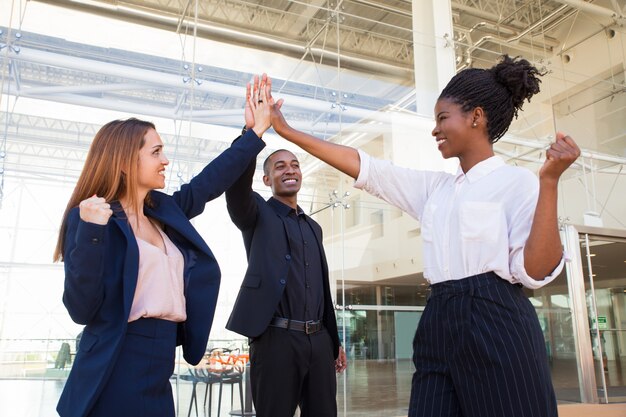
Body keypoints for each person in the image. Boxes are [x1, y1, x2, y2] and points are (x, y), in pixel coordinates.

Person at [268, 55, 580, 417]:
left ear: (476, 117)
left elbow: (537, 269)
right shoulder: (437, 190)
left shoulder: (518, 183)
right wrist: (287, 131)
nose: (435, 129)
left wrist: (550, 182)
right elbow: (368, 167)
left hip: (497, 319)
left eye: (443, 118)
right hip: (439, 317)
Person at [52, 75, 271, 417]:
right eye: (156, 152)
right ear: (126, 160)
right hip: (116, 364)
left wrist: (253, 133)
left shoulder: (164, 211)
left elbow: (208, 183)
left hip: (160, 363)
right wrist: (93, 233)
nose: (165, 160)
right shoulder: (92, 218)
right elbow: (81, 309)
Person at [225, 78, 347, 417]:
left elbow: (321, 289)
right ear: (267, 180)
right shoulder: (256, 214)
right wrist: (252, 135)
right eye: (280, 166)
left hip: (318, 341)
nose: (289, 170)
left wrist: (334, 342)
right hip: (276, 340)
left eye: (294, 165)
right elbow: (235, 187)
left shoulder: (314, 227)